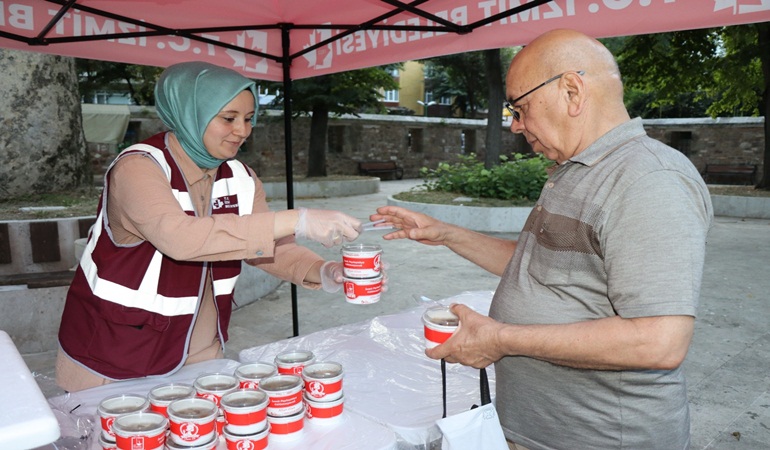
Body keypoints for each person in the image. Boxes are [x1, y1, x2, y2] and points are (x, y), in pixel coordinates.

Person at [372, 29, 713, 449]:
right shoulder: (576, 168)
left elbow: (659, 341)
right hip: (537, 430)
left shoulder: (648, 180)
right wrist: (446, 235)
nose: (515, 126)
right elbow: (541, 267)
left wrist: (499, 339)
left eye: (520, 107)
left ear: (572, 90)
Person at [56, 61, 360, 392]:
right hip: (115, 355)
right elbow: (181, 239)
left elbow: (273, 248)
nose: (242, 130)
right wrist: (298, 218)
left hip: (199, 353)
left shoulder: (241, 178)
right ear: (190, 112)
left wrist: (325, 271)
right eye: (229, 118)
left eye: (248, 118)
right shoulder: (138, 168)